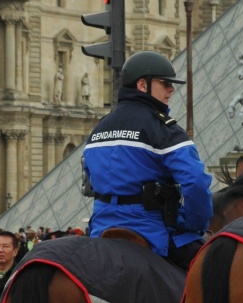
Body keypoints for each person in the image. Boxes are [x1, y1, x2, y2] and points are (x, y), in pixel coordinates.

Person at [82, 51, 213, 269]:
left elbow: (89, 181)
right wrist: (194, 224)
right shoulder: (163, 129)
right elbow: (195, 182)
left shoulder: (99, 129)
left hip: (100, 229)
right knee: (215, 271)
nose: (171, 89)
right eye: (165, 83)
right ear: (143, 85)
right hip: (150, 231)